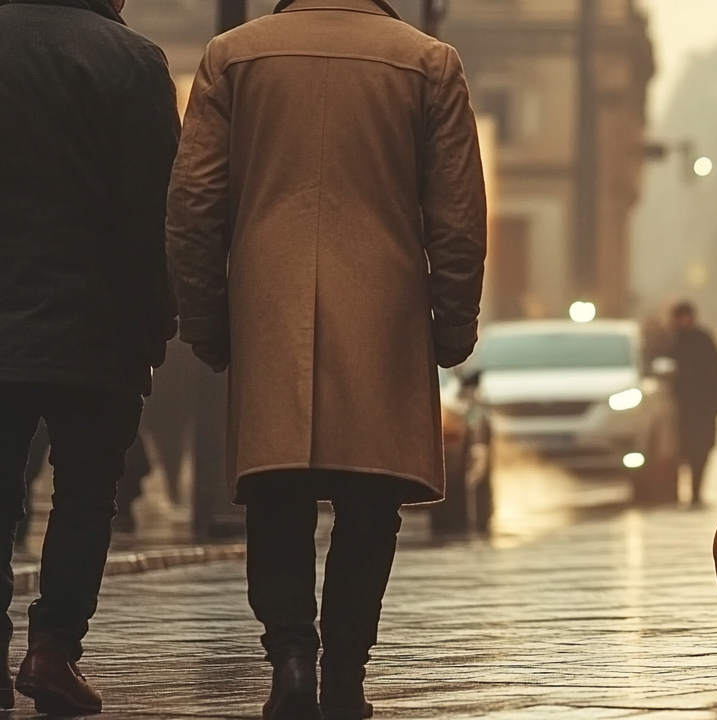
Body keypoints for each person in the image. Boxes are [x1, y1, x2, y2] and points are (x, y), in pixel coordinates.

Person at [166, 2, 487, 718]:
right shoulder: (427, 62)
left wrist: (207, 318)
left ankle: (288, 659)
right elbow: (458, 214)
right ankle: (345, 671)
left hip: (268, 304)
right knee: (370, 502)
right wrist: (452, 323)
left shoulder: (232, 56)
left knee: (275, 495)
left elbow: (194, 205)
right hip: (384, 310)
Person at [0, 0, 180, 713]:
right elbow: (151, 210)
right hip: (94, 324)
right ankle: (52, 651)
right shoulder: (131, 62)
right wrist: (156, 317)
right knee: (84, 495)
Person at [668, 302, 717, 508]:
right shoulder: (669, 341)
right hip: (677, 411)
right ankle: (676, 492)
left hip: (703, 409)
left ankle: (696, 492)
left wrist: (716, 405)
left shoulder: (703, 340)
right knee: (678, 453)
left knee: (700, 453)